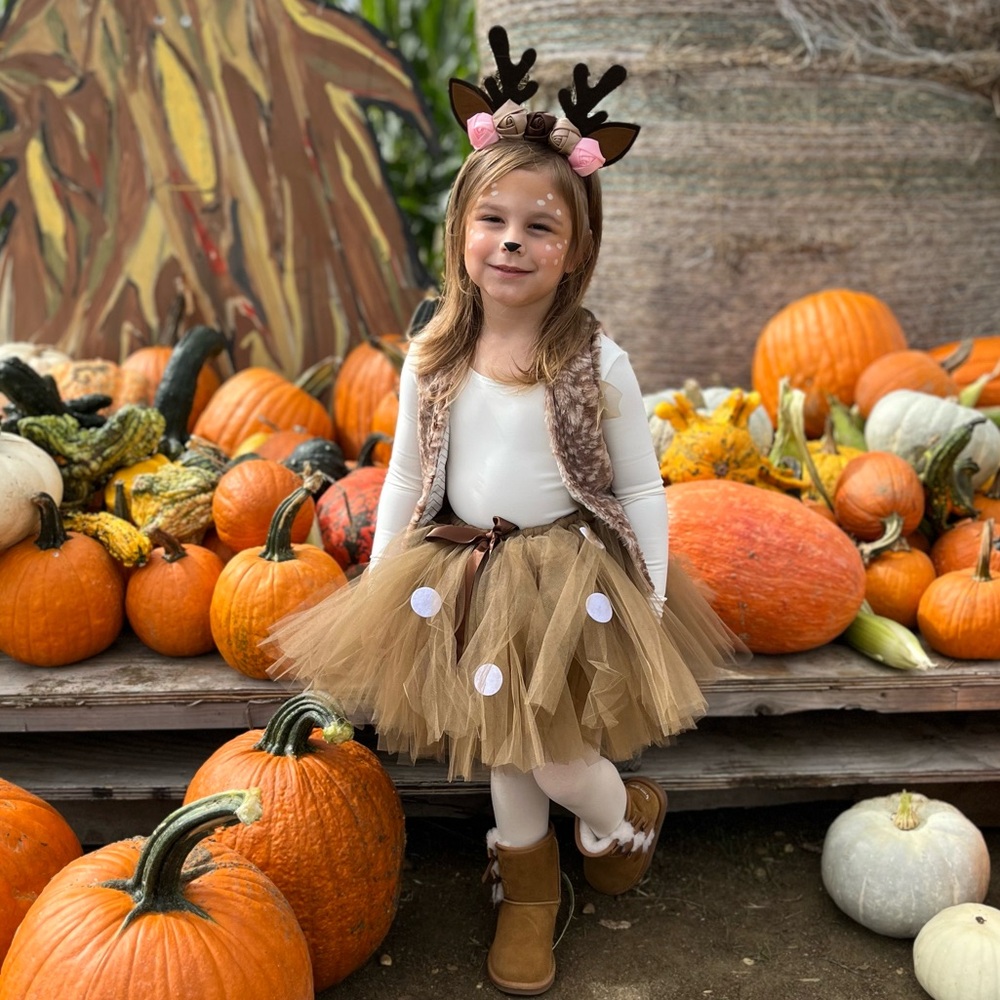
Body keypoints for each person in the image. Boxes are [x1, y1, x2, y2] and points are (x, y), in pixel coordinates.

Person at [268, 25, 744, 997]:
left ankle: (615, 817)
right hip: (464, 567)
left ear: (575, 252)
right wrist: (382, 574)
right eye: (494, 220)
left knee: (558, 752)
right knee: (501, 739)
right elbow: (407, 475)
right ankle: (525, 883)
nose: (513, 241)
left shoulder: (593, 363)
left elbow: (640, 484)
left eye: (540, 225)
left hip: (570, 572)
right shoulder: (435, 355)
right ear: (461, 234)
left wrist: (650, 583)